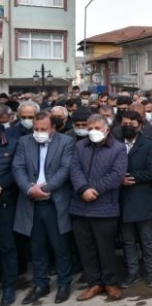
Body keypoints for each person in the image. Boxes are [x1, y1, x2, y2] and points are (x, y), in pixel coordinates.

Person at [12, 112, 74, 304]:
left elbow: (65, 169)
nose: (38, 132)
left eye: (43, 129)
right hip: (31, 202)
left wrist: (44, 189)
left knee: (60, 246)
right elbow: (17, 167)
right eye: (36, 129)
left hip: (54, 201)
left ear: (53, 128)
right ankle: (40, 284)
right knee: (36, 247)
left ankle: (64, 283)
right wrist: (30, 189)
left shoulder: (65, 142)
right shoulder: (24, 142)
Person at [69, 114, 127, 301]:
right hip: (80, 206)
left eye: (97, 128)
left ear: (107, 130)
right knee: (86, 248)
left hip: (104, 206)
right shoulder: (79, 146)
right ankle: (94, 283)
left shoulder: (118, 148)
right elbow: (74, 169)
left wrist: (95, 189)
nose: (93, 132)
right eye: (90, 128)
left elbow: (117, 175)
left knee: (106, 248)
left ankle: (110, 283)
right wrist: (83, 189)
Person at [117, 111, 152, 289]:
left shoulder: (149, 144)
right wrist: (119, 180)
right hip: (121, 200)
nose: (128, 127)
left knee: (147, 240)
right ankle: (132, 272)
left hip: (143, 198)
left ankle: (151, 273)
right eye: (125, 123)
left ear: (140, 126)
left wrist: (129, 178)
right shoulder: (115, 143)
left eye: (132, 124)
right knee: (128, 241)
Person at [0, 126, 18, 306]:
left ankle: (9, 286)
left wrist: (2, 185)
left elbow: (16, 170)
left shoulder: (12, 145)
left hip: (4, 202)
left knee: (6, 246)